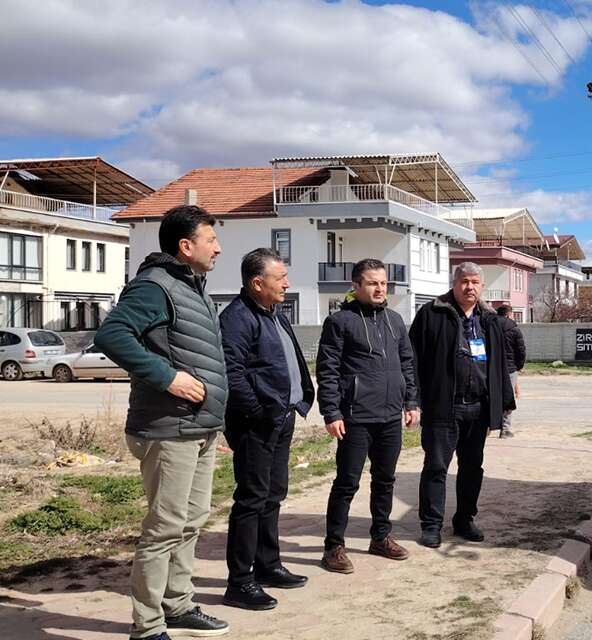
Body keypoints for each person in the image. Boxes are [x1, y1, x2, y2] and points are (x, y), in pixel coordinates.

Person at [94, 205, 230, 640]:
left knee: (191, 521)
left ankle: (178, 604)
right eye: (211, 240)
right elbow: (112, 335)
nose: (218, 247)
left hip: (197, 427)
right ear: (186, 246)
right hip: (167, 427)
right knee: (164, 527)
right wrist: (168, 378)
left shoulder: (192, 287)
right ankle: (148, 626)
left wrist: (214, 420)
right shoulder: (155, 287)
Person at [219, 248, 314, 611]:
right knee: (251, 499)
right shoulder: (238, 318)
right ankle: (240, 582)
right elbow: (233, 373)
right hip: (256, 424)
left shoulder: (274, 313)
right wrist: (258, 410)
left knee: (273, 495)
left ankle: (268, 566)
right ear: (257, 283)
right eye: (280, 278)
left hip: (282, 417)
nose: (287, 283)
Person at [316, 259, 420, 574]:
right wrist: (331, 411)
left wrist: (411, 402)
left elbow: (407, 363)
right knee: (347, 483)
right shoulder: (339, 322)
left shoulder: (395, 320)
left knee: (385, 480)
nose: (379, 289)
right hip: (355, 417)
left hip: (390, 416)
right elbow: (328, 370)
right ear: (356, 286)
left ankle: (380, 537)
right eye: (372, 283)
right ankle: (334, 546)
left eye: (383, 283)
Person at [409, 262, 514, 548]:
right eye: (464, 281)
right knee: (436, 466)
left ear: (482, 286)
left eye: (475, 282)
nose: (470, 287)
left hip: (477, 409)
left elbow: (500, 365)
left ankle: (464, 519)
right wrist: (413, 400)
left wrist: (502, 405)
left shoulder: (489, 320)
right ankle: (431, 525)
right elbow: (413, 360)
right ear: (454, 284)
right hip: (443, 407)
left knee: (472, 467)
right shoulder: (432, 314)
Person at [495, 305, 526, 439]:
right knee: (508, 398)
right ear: (509, 314)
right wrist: (518, 366)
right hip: (509, 368)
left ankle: (485, 428)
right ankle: (505, 429)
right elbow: (521, 350)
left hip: (492, 368)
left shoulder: (490, 326)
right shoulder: (514, 329)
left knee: (491, 397)